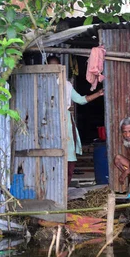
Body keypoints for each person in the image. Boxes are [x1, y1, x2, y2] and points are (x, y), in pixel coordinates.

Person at [47, 56, 103, 186]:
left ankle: (64, 188)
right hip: (49, 122)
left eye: (57, 66)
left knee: (69, 154)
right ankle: (54, 188)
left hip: (65, 121)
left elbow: (81, 100)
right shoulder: (42, 82)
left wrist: (98, 94)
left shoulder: (66, 85)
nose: (54, 69)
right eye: (51, 66)